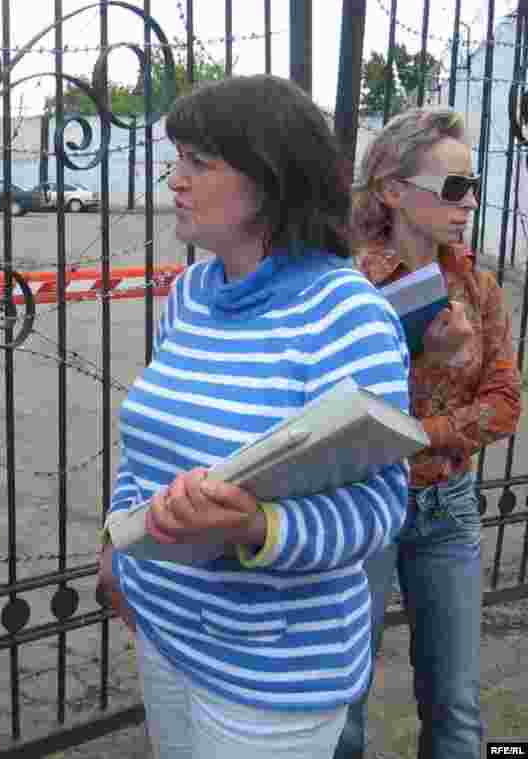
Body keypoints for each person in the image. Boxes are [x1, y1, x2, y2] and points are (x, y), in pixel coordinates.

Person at [95, 74, 412, 758]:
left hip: (270, 674)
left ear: (271, 178)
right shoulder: (192, 293)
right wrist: (118, 541)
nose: (174, 180)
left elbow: (380, 506)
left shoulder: (345, 314)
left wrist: (257, 525)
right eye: (177, 159)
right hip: (166, 630)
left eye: (199, 162)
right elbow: (147, 445)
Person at [336, 106, 521, 759]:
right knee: (342, 709)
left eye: (472, 187)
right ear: (390, 190)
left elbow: (505, 404)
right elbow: (337, 414)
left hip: (450, 509)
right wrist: (424, 358)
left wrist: (424, 430)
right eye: (452, 188)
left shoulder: (475, 283)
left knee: (457, 709)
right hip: (366, 509)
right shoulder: (346, 286)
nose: (468, 202)